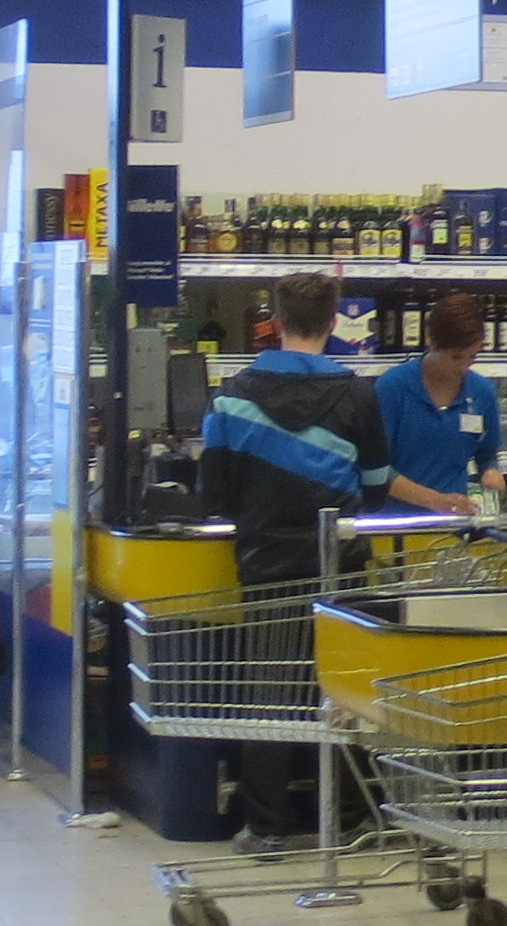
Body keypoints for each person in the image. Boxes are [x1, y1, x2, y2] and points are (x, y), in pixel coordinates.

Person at [196, 271, 465, 840]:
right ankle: (346, 817)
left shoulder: (232, 394)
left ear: (275, 320)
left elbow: (213, 493)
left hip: (266, 563)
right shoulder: (357, 394)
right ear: (334, 321)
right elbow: (375, 485)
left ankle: (266, 826)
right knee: (344, 692)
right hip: (339, 567)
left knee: (270, 692)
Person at [372, 295, 505, 504]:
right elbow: (375, 469)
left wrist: (491, 472)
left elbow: (487, 454)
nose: (464, 367)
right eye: (456, 357)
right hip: (396, 519)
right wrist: (435, 500)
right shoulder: (391, 388)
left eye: (473, 356)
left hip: (456, 517)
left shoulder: (482, 392)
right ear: (433, 343)